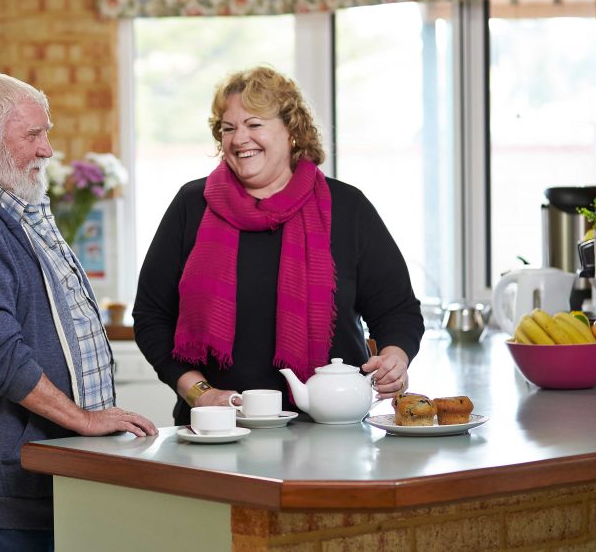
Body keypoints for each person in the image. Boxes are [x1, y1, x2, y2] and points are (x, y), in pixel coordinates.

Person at [0, 72, 157, 552]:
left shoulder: (12, 208)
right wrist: (82, 419)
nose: (47, 150)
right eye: (34, 135)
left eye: (47, 133)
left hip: (38, 477)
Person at [133, 66, 424, 425]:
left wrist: (395, 356)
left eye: (254, 124)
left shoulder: (347, 207)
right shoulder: (191, 205)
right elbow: (151, 317)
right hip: (215, 427)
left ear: (292, 131)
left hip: (328, 429)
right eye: (228, 128)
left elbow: (397, 310)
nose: (240, 139)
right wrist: (201, 393)